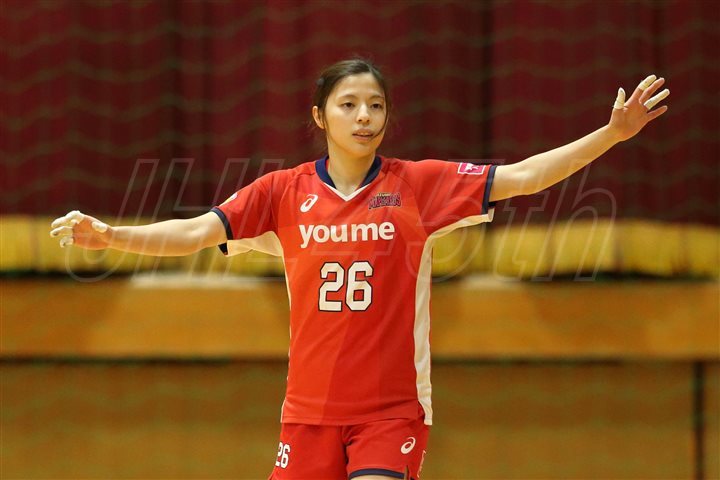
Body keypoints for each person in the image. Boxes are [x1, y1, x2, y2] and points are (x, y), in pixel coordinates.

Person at [50, 58, 669, 480]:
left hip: (390, 411)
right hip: (307, 412)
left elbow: (525, 176)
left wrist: (611, 135)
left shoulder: (418, 184)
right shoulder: (281, 192)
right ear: (320, 117)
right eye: (348, 104)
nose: (364, 116)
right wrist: (112, 236)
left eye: (375, 105)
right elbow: (194, 233)